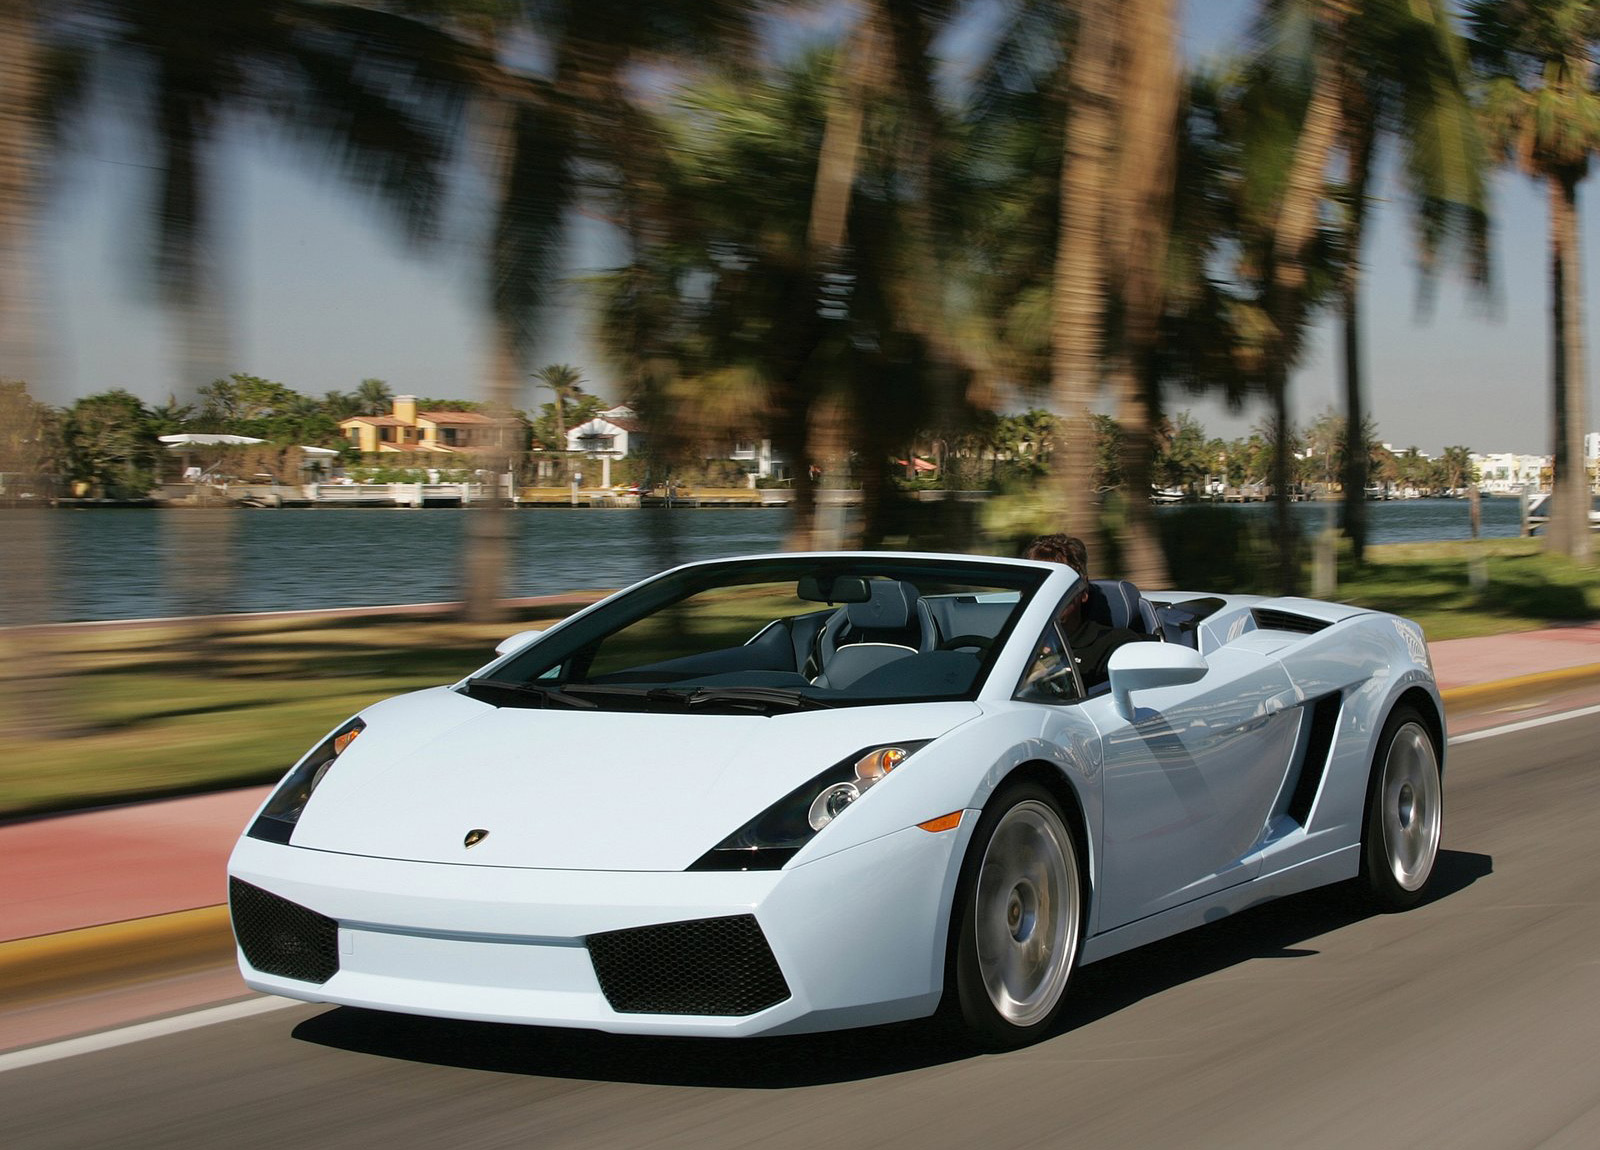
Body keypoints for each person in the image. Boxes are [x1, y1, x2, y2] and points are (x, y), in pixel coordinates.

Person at [1022, 533, 1156, 689]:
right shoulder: (1009, 643)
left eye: (1056, 586)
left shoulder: (1115, 646)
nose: (1045, 595)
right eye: (1035, 585)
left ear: (1083, 590)